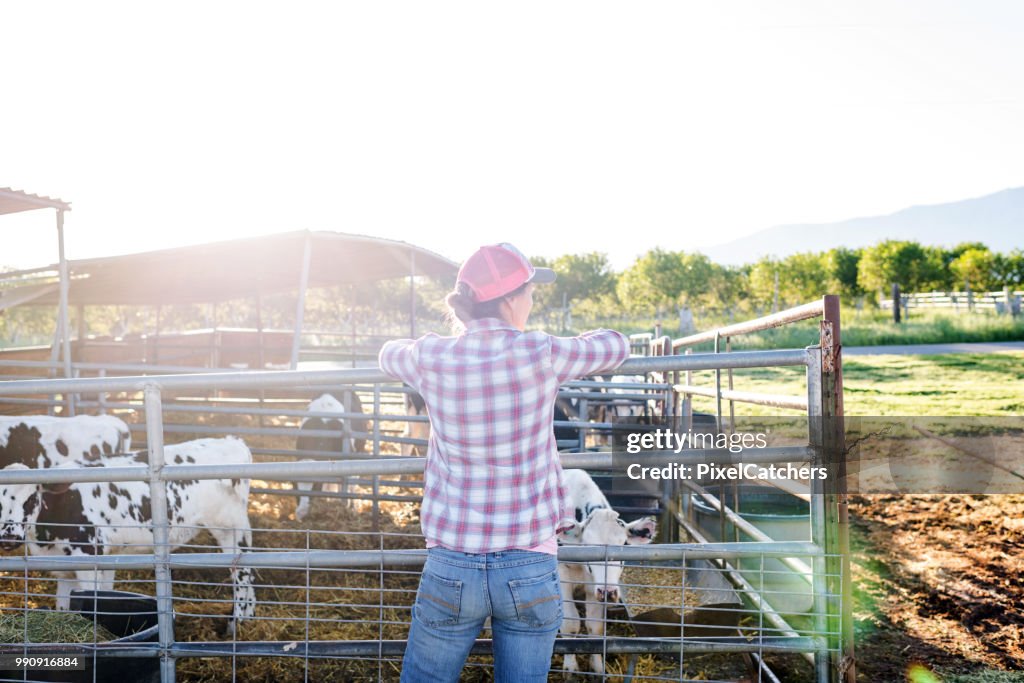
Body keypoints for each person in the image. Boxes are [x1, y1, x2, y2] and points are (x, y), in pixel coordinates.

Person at [379, 243, 629, 683]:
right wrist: (575, 340)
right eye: (530, 293)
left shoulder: (432, 356)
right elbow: (616, 345)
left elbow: (387, 354)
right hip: (528, 561)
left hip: (452, 560)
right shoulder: (544, 352)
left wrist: (430, 342)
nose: (532, 302)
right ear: (511, 299)